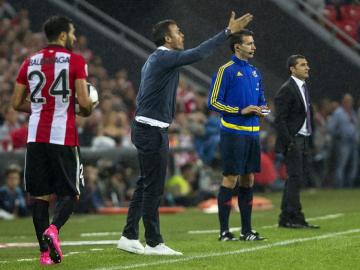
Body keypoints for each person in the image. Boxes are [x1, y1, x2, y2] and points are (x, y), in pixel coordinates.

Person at [117, 12, 253, 256]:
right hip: (150, 129)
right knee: (153, 188)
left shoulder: (156, 58)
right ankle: (154, 242)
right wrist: (227, 32)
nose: (182, 34)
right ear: (168, 39)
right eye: (178, 31)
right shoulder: (165, 57)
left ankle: (128, 235)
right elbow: (199, 53)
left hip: (148, 126)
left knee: (145, 184)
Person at [11, 16, 95, 265]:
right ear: (62, 36)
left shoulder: (29, 62)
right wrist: (89, 106)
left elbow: (16, 103)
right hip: (63, 135)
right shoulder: (76, 61)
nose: (75, 37)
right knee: (70, 192)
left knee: (40, 196)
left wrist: (40, 107)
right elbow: (83, 103)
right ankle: (54, 229)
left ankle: (45, 254)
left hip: (36, 136)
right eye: (72, 32)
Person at [207, 30, 267, 241]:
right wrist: (240, 111)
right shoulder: (226, 70)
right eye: (249, 43)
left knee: (248, 178)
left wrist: (262, 109)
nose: (254, 47)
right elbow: (213, 101)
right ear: (237, 46)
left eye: (253, 43)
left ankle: (247, 231)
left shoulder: (255, 72)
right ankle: (224, 231)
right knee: (230, 178)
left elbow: (261, 101)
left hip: (252, 134)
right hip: (233, 132)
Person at [274, 55, 320, 229]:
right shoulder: (287, 89)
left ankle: (288, 216)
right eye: (302, 65)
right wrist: (289, 142)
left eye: (307, 64)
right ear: (292, 69)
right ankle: (292, 217)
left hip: (303, 139)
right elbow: (280, 120)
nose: (307, 67)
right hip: (294, 140)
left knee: (295, 179)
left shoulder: (303, 87)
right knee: (295, 178)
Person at [327, 93, 358, 188]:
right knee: (341, 165)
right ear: (343, 102)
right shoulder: (338, 113)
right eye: (348, 101)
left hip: (353, 142)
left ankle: (349, 186)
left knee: (353, 166)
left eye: (351, 101)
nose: (350, 103)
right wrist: (339, 134)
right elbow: (331, 128)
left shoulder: (352, 112)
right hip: (343, 143)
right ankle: (339, 186)